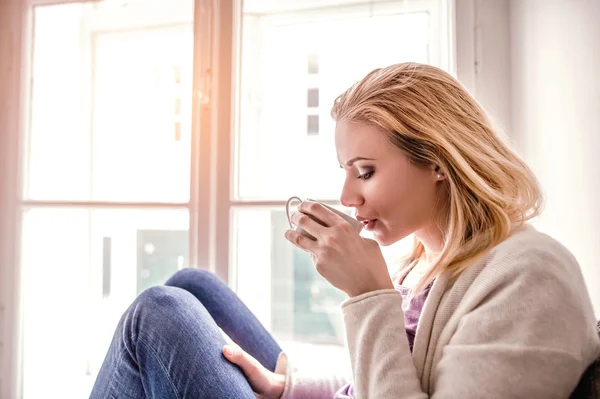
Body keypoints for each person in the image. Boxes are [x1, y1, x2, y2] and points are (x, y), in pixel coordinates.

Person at [89, 62, 600, 399]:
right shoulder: (430, 257)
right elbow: (375, 377)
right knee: (192, 285)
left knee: (158, 313)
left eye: (366, 171)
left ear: (439, 161)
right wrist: (286, 386)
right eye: (346, 170)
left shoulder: (530, 277)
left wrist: (370, 293)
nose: (349, 197)